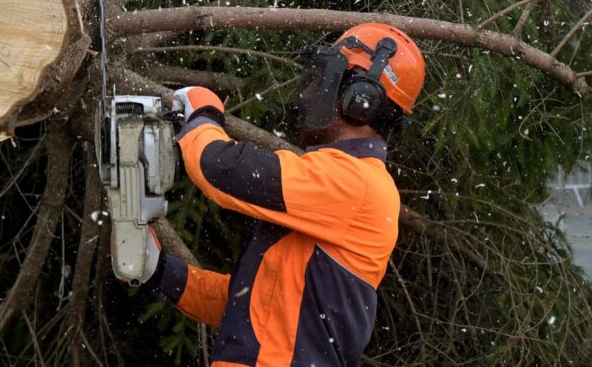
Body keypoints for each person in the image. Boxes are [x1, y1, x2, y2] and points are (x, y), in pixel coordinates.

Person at [123, 23, 425, 367]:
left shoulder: (357, 183)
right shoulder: (337, 180)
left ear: (361, 101)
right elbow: (255, 304)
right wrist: (159, 272)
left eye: (324, 78)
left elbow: (219, 168)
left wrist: (202, 114)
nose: (312, 90)